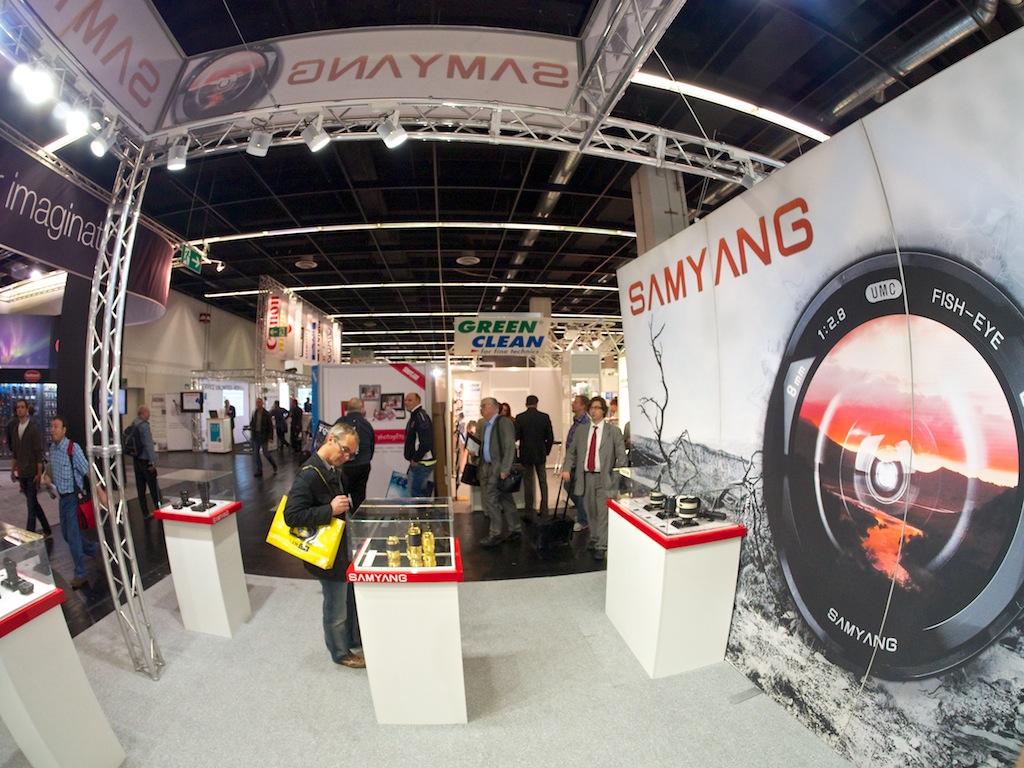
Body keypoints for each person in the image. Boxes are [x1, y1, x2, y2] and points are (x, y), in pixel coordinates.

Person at [283, 421, 363, 668]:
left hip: (340, 549)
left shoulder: (332, 468)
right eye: (345, 450)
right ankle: (340, 653)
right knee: (336, 606)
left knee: (348, 599)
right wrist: (329, 510)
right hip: (328, 554)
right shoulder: (310, 474)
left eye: (351, 454)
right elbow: (291, 516)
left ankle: (352, 639)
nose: (347, 457)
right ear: (330, 440)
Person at [45, 415, 107, 589]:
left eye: (56, 426)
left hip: (73, 498)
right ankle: (93, 549)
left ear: (64, 430)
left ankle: (80, 574)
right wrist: (48, 478)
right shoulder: (53, 449)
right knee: (66, 535)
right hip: (61, 499)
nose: (52, 430)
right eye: (51, 426)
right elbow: (52, 469)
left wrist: (101, 493)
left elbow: (88, 471)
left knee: (72, 537)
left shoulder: (73, 449)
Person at [561, 396, 626, 561]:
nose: (593, 411)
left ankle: (602, 545)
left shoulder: (613, 432)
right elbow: (571, 451)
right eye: (591, 408)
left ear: (603, 411)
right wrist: (566, 468)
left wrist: (616, 476)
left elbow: (621, 456)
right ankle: (596, 537)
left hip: (604, 478)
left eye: (597, 408)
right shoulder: (581, 431)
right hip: (586, 477)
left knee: (603, 512)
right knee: (590, 510)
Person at [477, 397, 521, 547]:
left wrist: (505, 469)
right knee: (505, 499)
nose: (481, 409)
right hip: (489, 467)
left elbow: (509, 446)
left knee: (491, 498)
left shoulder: (503, 422)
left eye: (483, 406)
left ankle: (495, 533)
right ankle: (515, 528)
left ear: (492, 407)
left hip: (498, 468)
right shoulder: (486, 425)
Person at [9, 398, 52, 538]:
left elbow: (38, 454)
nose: (20, 410)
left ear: (27, 410)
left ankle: (29, 535)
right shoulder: (15, 430)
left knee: (31, 506)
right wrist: (13, 470)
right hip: (22, 472)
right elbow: (15, 453)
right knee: (33, 503)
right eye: (18, 407)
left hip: (32, 473)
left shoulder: (33, 429)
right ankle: (46, 528)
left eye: (22, 407)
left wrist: (38, 474)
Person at [515, 395, 554, 516]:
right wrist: (546, 451)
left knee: (528, 482)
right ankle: (544, 508)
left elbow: (516, 436)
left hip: (526, 453)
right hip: (540, 453)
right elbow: (550, 437)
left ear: (526, 404)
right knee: (543, 481)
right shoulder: (544, 417)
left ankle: (529, 508)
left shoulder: (520, 418)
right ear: (537, 404)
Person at [337, 397, 374, 510]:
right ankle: (360, 518)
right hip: (362, 465)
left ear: (348, 408)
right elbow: (372, 446)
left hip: (344, 467)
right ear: (361, 408)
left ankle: (343, 520)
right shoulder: (367, 424)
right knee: (360, 497)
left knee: (341, 498)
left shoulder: (340, 423)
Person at [564, 394, 591, 532]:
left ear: (583, 406)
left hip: (580, 463)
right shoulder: (577, 422)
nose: (573, 404)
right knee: (568, 486)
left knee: (579, 492)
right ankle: (584, 513)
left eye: (576, 402)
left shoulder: (585, 423)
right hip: (573, 463)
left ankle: (583, 520)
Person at [130, 405, 162, 518]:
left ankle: (145, 512)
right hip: (146, 461)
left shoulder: (134, 423)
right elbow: (148, 445)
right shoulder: (144, 426)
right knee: (154, 487)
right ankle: (159, 509)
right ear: (143, 413)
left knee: (141, 488)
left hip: (136, 460)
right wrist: (152, 461)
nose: (149, 414)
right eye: (148, 412)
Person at [403, 392, 435, 497]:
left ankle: (420, 509)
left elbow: (426, 442)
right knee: (416, 493)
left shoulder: (420, 417)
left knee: (416, 495)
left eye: (410, 400)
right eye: (405, 400)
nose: (406, 402)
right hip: (420, 462)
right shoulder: (415, 416)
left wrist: (416, 459)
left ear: (418, 401)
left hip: (422, 463)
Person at [250, 398, 277, 477]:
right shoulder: (255, 413)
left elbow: (270, 426)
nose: (258, 404)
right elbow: (253, 423)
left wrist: (270, 437)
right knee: (256, 453)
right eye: (257, 402)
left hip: (264, 436)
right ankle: (259, 469)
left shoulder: (266, 414)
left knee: (266, 453)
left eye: (259, 402)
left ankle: (273, 463)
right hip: (256, 435)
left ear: (262, 403)